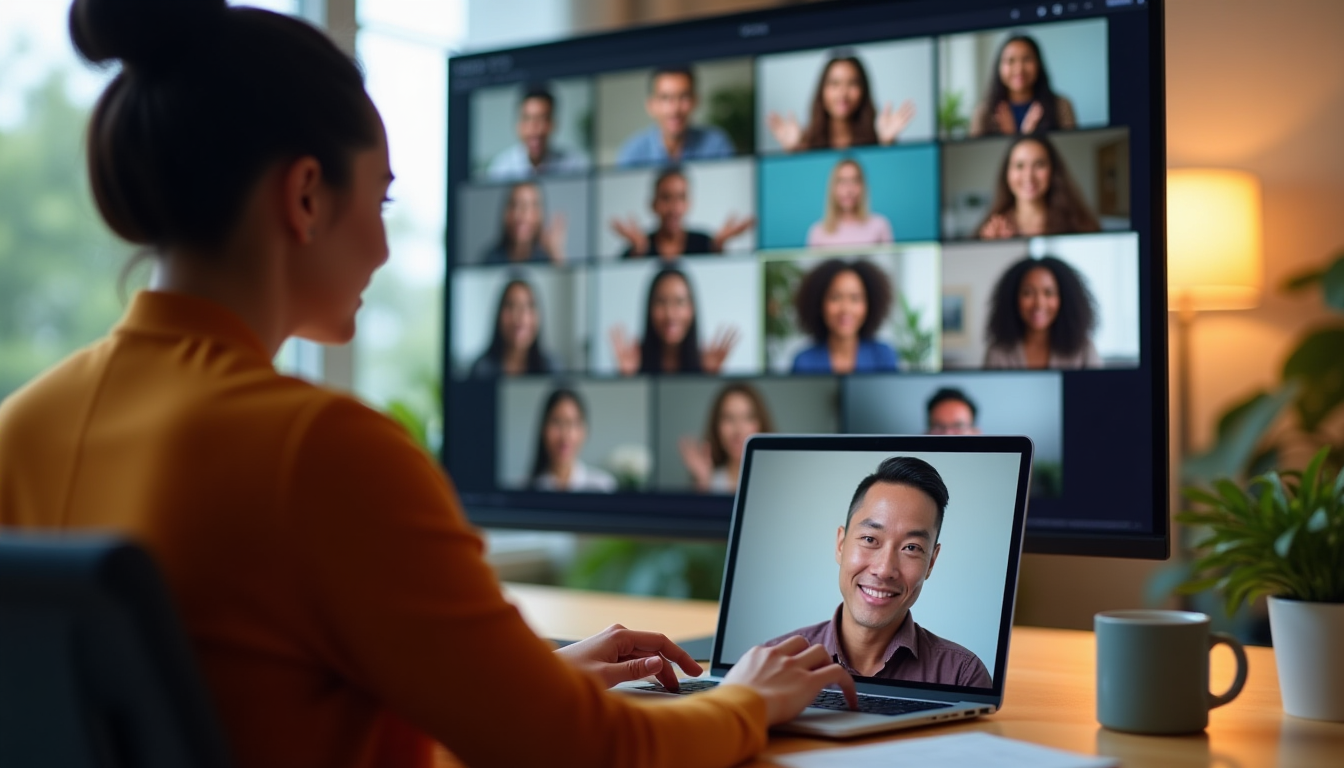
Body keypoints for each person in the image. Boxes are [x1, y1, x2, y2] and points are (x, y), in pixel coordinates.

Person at [0, 3, 858, 767]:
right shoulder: (325, 449)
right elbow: (597, 752)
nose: (381, 248)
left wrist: (522, 684)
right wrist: (750, 695)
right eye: (379, 202)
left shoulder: (21, 427)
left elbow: (245, 698)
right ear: (304, 197)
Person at [765, 457, 992, 687]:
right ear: (841, 545)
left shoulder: (962, 677)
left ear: (931, 562)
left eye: (911, 548)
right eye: (870, 539)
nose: (884, 570)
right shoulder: (773, 664)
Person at [767, 53, 915, 152]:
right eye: (834, 84)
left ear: (864, 90)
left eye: (852, 84)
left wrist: (887, 145)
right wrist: (793, 152)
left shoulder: (878, 139)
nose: (843, 93)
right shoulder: (805, 143)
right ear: (822, 91)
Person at [610, 267, 739, 375]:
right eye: (661, 302)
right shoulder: (634, 364)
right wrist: (627, 378)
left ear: (692, 308)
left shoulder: (705, 363)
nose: (670, 315)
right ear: (649, 309)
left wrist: (709, 377)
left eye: (679, 302)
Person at [612, 166, 755, 260]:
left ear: (689, 204)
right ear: (653, 204)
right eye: (666, 198)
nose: (674, 208)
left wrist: (718, 246)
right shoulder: (638, 247)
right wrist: (638, 253)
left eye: (681, 198)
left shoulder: (705, 243)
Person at [983, 256, 1102, 369]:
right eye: (1028, 293)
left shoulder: (1084, 349)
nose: (1039, 304)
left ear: (1064, 299)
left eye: (1048, 293)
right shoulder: (998, 351)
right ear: (1013, 298)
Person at [976, 135, 1100, 240]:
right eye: (1019, 166)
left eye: (1039, 165)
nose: (1029, 176)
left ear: (1053, 171)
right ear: (1007, 173)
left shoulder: (1079, 224)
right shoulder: (990, 231)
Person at [790, 259, 898, 374]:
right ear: (819, 303)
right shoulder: (804, 361)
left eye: (855, 298)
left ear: (869, 304)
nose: (845, 309)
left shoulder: (883, 356)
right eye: (835, 297)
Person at [616, 66, 735, 167]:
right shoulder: (633, 153)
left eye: (684, 97)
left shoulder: (717, 145)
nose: (675, 109)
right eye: (665, 98)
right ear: (651, 105)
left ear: (696, 101)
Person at [969, 34, 1077, 138]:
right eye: (1010, 61)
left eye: (1027, 59)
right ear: (999, 67)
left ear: (1038, 64)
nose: (1019, 69)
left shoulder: (1061, 106)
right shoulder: (983, 113)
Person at [679, 383, 776, 493]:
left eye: (748, 418)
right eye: (729, 418)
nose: (738, 430)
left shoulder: (776, 481)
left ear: (761, 424)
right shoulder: (709, 482)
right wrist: (703, 484)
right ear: (716, 427)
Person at [486, 84, 590, 180]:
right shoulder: (501, 169)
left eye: (542, 119)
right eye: (527, 118)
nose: (534, 128)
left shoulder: (574, 165)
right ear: (517, 125)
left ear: (553, 124)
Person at [528, 388, 617, 492]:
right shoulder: (524, 488)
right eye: (557, 422)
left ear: (584, 431)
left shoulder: (603, 486)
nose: (565, 436)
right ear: (543, 429)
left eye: (572, 423)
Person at [469, 277, 557, 377]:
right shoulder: (481, 369)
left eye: (528, 306)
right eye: (510, 306)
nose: (519, 317)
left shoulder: (552, 367)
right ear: (499, 314)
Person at [805, 158, 893, 247]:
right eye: (842, 181)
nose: (849, 190)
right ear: (832, 188)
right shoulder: (818, 231)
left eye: (855, 181)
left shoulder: (880, 225)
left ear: (863, 186)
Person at [481, 181, 567, 263]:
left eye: (531, 206)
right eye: (515, 205)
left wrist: (555, 252)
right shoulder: (490, 258)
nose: (522, 216)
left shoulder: (547, 257)